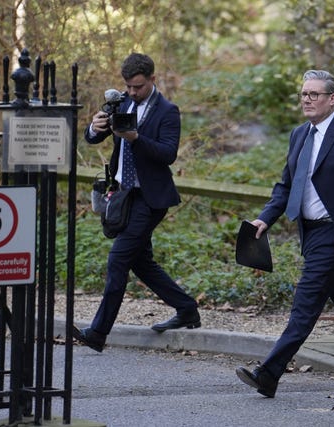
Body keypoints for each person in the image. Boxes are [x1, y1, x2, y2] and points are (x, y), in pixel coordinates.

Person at [235, 70, 334, 397]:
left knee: (305, 305)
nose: (307, 100)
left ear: (332, 98)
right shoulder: (299, 135)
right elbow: (285, 186)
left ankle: (269, 373)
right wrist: (264, 219)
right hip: (309, 233)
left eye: (314, 94)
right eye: (304, 94)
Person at [73, 53, 200, 352]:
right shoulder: (123, 103)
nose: (132, 92)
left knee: (118, 259)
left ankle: (98, 333)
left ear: (152, 80)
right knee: (140, 262)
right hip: (124, 195)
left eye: (138, 87)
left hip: (150, 198)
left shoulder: (168, 111)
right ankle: (187, 308)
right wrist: (94, 126)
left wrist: (135, 137)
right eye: (128, 86)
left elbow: (168, 154)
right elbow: (93, 139)